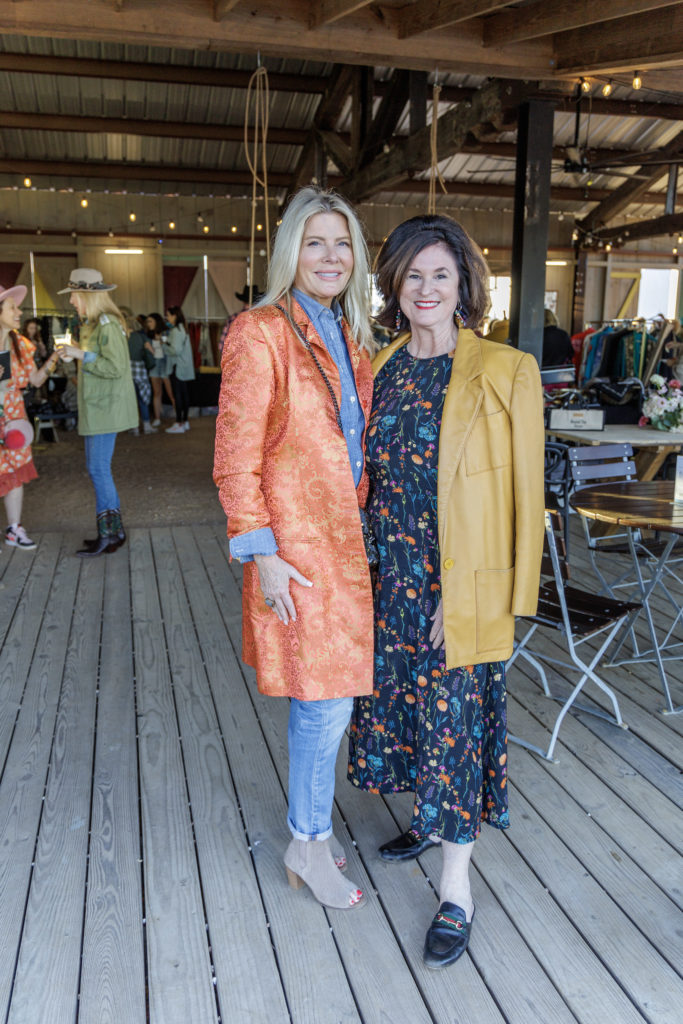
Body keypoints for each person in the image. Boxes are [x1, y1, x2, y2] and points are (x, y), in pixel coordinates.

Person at [347, 214, 545, 967]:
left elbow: (525, 498)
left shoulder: (504, 370)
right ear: (393, 286)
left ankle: (455, 889)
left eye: (440, 273)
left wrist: (494, 600)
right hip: (385, 580)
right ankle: (426, 819)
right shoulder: (381, 365)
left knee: (456, 727)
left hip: (456, 588)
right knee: (404, 713)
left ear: (463, 283)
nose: (425, 288)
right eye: (411, 274)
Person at [214, 187, 375, 910]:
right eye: (315, 243)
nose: (330, 256)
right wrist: (261, 552)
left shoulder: (350, 334)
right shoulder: (260, 331)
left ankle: (309, 830)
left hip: (350, 546)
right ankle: (306, 840)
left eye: (342, 244)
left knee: (333, 700)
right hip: (297, 552)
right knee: (322, 701)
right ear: (290, 253)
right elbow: (233, 455)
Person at [56, 268, 139, 556]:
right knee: (97, 469)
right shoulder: (95, 323)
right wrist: (78, 350)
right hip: (97, 406)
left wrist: (80, 354)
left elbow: (115, 367)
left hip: (105, 407)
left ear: (88, 295)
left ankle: (111, 534)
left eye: (74, 295)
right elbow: (101, 358)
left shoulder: (107, 323)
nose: (72, 302)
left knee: (99, 469)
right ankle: (113, 533)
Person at [0, 284, 60, 550]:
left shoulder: (20, 344)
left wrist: (54, 359)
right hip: (5, 415)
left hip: (14, 419)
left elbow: (35, 380)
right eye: (12, 307)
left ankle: (14, 529)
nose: (19, 311)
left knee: (14, 472)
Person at [164, 305, 195, 434]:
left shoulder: (176, 331)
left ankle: (179, 423)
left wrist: (164, 346)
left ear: (174, 316)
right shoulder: (183, 329)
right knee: (184, 394)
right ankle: (185, 421)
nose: (167, 318)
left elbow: (175, 350)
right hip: (184, 366)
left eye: (168, 315)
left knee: (178, 395)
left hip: (177, 367)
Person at [124, 310, 156, 434]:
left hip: (127, 371)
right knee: (143, 399)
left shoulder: (123, 338)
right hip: (140, 371)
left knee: (132, 400)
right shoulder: (142, 337)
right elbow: (152, 352)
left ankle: (134, 427)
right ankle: (147, 425)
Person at [146, 312, 175, 425]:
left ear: (156, 322)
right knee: (157, 392)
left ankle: (179, 418)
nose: (148, 324)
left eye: (150, 321)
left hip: (165, 362)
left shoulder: (166, 331)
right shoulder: (148, 334)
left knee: (171, 393)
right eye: (147, 321)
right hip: (154, 364)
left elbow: (171, 347)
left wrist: (162, 341)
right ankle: (157, 418)